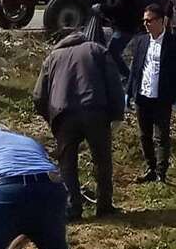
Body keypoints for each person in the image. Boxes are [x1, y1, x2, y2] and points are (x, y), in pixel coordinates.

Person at [33, 30, 125, 220]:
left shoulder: (52, 57)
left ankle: (72, 207)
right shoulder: (97, 50)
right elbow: (114, 83)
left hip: (63, 114)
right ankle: (104, 205)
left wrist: (50, 117)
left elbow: (38, 95)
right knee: (101, 160)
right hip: (95, 110)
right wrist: (117, 113)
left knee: (67, 163)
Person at [127, 4, 176, 183]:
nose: (146, 24)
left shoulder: (173, 43)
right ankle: (150, 168)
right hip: (142, 95)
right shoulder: (141, 41)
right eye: (144, 20)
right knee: (144, 134)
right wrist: (129, 92)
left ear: (161, 21)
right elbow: (135, 68)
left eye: (150, 20)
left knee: (161, 135)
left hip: (162, 96)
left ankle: (161, 172)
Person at [97, 0, 138, 83]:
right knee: (113, 52)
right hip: (120, 27)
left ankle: (129, 77)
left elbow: (118, 9)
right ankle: (126, 76)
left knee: (112, 52)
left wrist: (102, 8)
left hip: (125, 28)